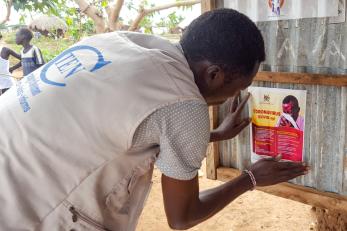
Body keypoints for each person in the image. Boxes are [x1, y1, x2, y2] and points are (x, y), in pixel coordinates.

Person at [0, 9, 309, 230]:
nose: (233, 97)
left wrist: (212, 135)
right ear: (214, 74)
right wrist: (250, 179)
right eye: (238, 87)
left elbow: (127, 124)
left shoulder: (123, 42)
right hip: (25, 207)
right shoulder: (186, 105)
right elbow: (182, 216)